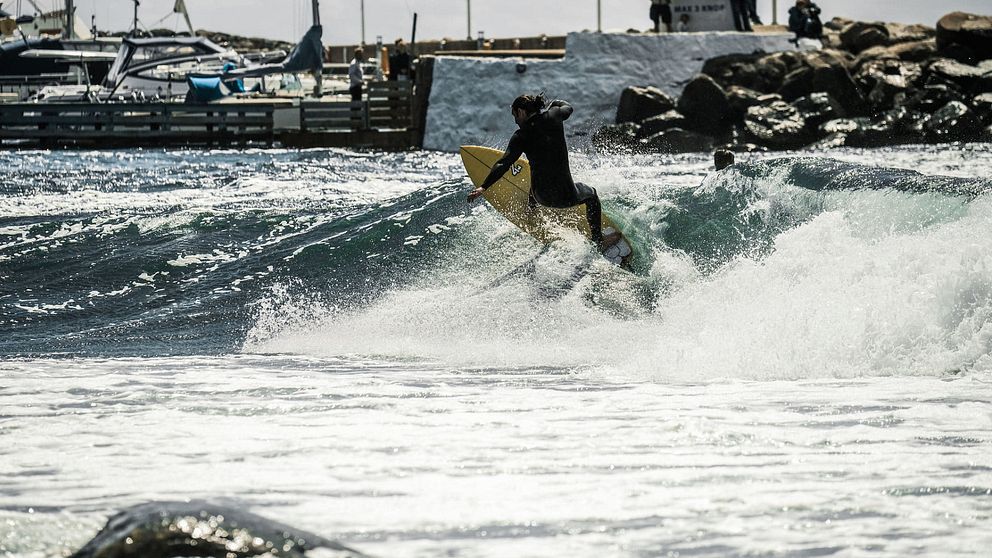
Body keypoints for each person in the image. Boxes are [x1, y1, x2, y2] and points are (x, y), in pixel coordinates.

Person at [467, 94, 620, 250]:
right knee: (592, 195)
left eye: (515, 116)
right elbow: (568, 107)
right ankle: (598, 240)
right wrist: (554, 103)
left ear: (520, 111)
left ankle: (531, 208)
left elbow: (503, 163)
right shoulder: (555, 115)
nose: (515, 121)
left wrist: (483, 187)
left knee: (536, 173)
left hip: (542, 197)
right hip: (568, 196)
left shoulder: (520, 136)